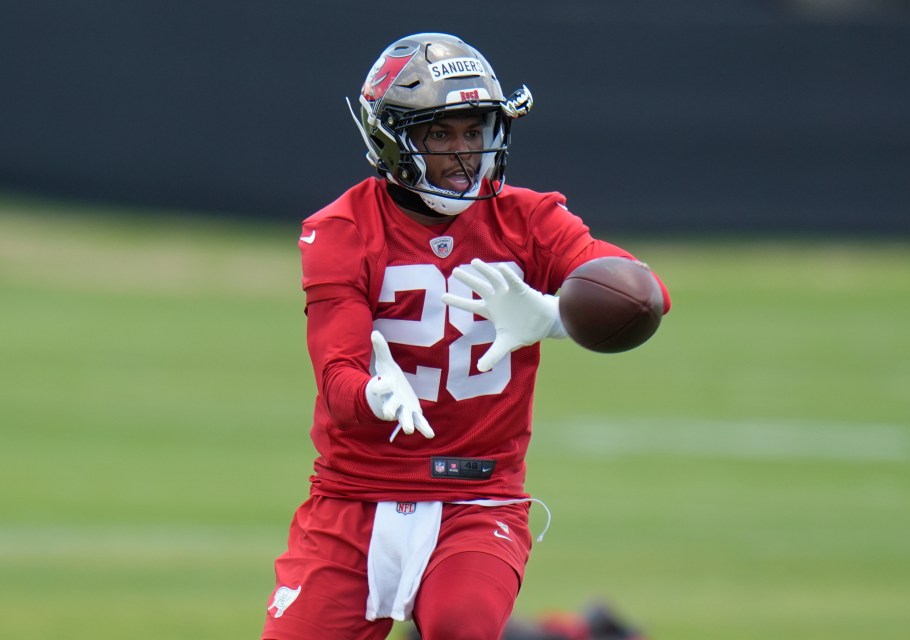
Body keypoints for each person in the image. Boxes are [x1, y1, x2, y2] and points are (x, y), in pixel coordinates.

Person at [261, 32, 671, 640]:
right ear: (391, 140)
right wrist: (374, 393)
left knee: (460, 627)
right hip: (355, 498)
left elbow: (646, 293)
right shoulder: (343, 229)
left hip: (477, 497)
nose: (462, 154)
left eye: (474, 132)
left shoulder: (529, 219)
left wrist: (554, 316)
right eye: (440, 134)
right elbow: (337, 374)